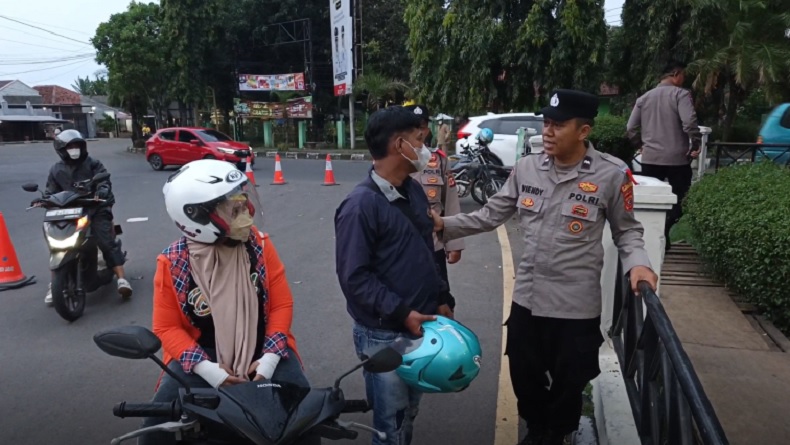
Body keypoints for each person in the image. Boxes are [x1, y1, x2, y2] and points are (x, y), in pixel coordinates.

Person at [432, 89, 658, 445]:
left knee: (571, 381)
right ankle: (538, 430)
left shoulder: (612, 175)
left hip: (575, 305)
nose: (548, 132)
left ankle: (557, 432)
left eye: (558, 125)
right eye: (546, 123)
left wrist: (639, 266)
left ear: (583, 131)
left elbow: (627, 232)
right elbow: (492, 214)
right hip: (529, 299)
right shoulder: (527, 168)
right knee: (523, 373)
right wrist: (447, 225)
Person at [140, 159, 316, 445]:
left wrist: (269, 362)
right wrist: (209, 371)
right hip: (199, 357)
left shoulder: (258, 245)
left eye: (244, 203)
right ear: (195, 217)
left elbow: (281, 306)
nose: (247, 215)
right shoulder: (172, 262)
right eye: (233, 210)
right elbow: (167, 327)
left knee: (304, 422)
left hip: (266, 349)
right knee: (156, 429)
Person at [334, 106, 454, 445]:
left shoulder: (412, 190)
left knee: (408, 415)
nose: (426, 148)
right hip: (384, 336)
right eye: (420, 139)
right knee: (390, 424)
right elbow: (354, 278)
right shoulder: (360, 206)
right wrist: (402, 312)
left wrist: (442, 297)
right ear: (400, 145)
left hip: (420, 326)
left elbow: (427, 251)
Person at [44, 130, 132, 304]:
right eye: (70, 146)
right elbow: (50, 191)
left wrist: (102, 191)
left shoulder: (93, 164)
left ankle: (122, 278)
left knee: (105, 241)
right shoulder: (56, 169)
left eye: (77, 145)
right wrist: (44, 200)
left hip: (95, 208)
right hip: (69, 212)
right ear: (61, 149)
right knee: (56, 246)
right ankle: (53, 285)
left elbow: (104, 181)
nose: (74, 149)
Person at [626, 60, 701, 251]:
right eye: (683, 75)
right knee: (681, 198)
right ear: (675, 74)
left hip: (651, 158)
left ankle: (653, 237)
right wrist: (696, 142)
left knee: (650, 200)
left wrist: (639, 145)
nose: (684, 79)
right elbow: (689, 121)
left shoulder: (644, 98)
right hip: (678, 159)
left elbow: (630, 127)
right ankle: (666, 228)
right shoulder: (681, 94)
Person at [404, 104, 465, 314]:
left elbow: (450, 202)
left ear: (428, 129)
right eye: (413, 127)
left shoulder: (438, 160)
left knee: (442, 304)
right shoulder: (395, 160)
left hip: (434, 247)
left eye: (422, 126)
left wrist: (455, 243)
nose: (419, 132)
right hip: (403, 248)